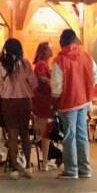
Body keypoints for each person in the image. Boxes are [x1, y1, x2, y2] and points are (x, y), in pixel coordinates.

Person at [50, 28, 97, 179]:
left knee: (69, 136)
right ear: (75, 40)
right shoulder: (86, 56)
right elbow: (96, 75)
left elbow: (57, 87)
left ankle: (71, 170)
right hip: (83, 101)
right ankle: (85, 169)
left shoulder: (60, 61)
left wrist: (54, 104)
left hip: (68, 102)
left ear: (61, 42)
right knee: (82, 135)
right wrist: (85, 88)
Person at [0, 37, 37, 178]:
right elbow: (34, 82)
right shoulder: (25, 64)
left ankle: (14, 168)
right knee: (24, 133)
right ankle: (28, 165)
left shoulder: (0, 63)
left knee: (12, 134)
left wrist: (2, 91)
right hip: (24, 101)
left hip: (8, 101)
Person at [31, 42, 56, 170]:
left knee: (45, 131)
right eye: (50, 48)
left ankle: (46, 159)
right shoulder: (41, 64)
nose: (52, 49)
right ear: (44, 51)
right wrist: (54, 82)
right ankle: (45, 161)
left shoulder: (45, 64)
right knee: (45, 131)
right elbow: (42, 79)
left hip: (44, 100)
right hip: (43, 100)